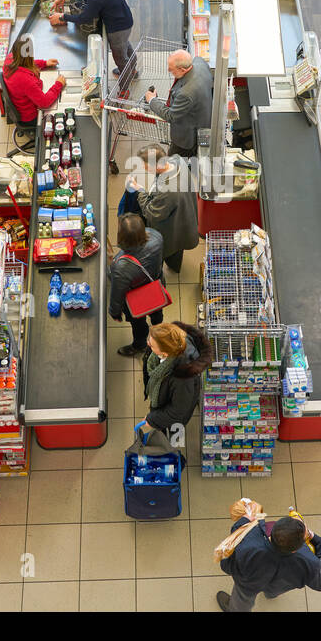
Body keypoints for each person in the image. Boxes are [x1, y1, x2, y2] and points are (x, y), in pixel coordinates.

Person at [217, 498, 321, 612]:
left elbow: (226, 561)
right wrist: (317, 542)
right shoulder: (308, 561)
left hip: (248, 584)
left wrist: (245, 520)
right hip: (280, 584)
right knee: (273, 590)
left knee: (242, 600)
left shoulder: (248, 542)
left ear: (272, 529)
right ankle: (270, 594)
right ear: (295, 549)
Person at [49, 0, 134, 75]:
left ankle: (124, 88)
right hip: (125, 15)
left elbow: (84, 18)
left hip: (118, 28)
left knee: (120, 59)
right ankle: (133, 68)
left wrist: (62, 16)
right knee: (125, 45)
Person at [137, 321, 210, 441]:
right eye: (150, 338)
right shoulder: (171, 339)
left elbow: (177, 411)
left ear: (165, 353)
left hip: (174, 416)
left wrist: (153, 419)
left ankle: (171, 441)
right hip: (169, 398)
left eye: (152, 345)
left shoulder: (182, 377)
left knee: (172, 432)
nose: (148, 342)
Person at [132, 144, 199, 275]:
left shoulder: (167, 191)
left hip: (171, 228)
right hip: (184, 216)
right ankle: (175, 267)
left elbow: (151, 213)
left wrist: (139, 191)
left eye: (145, 166)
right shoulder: (177, 160)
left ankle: (159, 270)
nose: (144, 169)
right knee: (178, 249)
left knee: (166, 250)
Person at [108, 213, 167, 358]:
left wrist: (115, 312)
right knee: (157, 311)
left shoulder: (121, 265)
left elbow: (118, 291)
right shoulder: (156, 237)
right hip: (156, 285)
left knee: (138, 324)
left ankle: (140, 344)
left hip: (136, 298)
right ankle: (158, 328)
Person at [144, 50, 213, 158]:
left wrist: (152, 100)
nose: (168, 70)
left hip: (188, 136)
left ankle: (175, 173)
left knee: (174, 160)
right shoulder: (199, 63)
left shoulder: (186, 93)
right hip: (202, 115)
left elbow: (170, 115)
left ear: (182, 69)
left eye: (171, 69)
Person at [2, 35, 64, 125]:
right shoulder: (25, 80)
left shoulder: (9, 59)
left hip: (20, 104)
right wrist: (58, 84)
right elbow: (44, 102)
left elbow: (25, 63)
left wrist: (44, 63)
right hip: (29, 117)